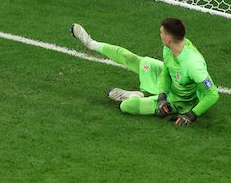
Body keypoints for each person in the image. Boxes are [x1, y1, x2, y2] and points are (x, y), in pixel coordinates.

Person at [70, 18, 219, 125]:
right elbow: (166, 72)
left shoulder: (193, 64)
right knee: (131, 58)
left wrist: (191, 115)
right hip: (171, 83)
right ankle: (91, 43)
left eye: (161, 33)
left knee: (126, 107)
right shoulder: (170, 48)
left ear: (168, 40)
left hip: (180, 102)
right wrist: (161, 97)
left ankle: (134, 95)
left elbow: (212, 94)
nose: (159, 35)